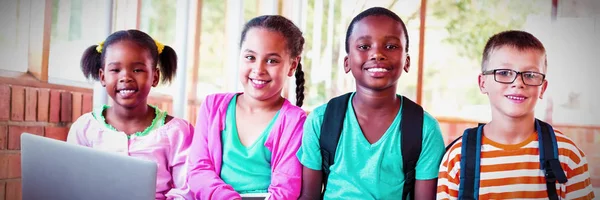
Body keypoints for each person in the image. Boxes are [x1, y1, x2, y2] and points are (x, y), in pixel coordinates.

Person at [297, 7, 445, 200]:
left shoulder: (424, 129)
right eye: (364, 47)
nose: (377, 54)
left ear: (406, 61)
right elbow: (309, 196)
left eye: (391, 46)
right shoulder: (321, 121)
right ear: (347, 62)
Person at [437, 30, 595, 200]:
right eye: (504, 73)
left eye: (530, 75)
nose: (518, 83)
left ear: (542, 87)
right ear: (483, 83)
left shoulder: (568, 155)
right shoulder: (457, 159)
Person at [186, 15, 307, 200]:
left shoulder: (294, 120)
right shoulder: (213, 106)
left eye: (272, 60)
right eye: (250, 57)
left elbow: (285, 189)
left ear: (292, 65)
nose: (258, 69)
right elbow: (198, 171)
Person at [67, 29, 193, 199]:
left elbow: (186, 190)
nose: (125, 77)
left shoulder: (177, 132)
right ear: (102, 77)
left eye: (137, 70)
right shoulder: (85, 128)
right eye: (115, 70)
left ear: (154, 77)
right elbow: (72, 184)